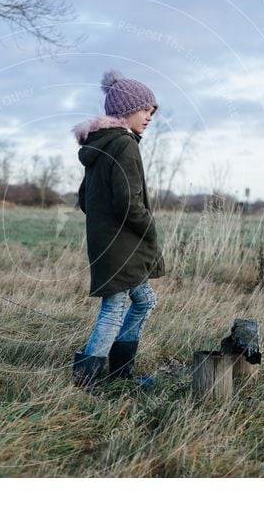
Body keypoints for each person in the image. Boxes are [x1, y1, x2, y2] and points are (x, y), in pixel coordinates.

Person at [72, 70, 166, 389]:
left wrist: (103, 224)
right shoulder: (124, 144)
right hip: (123, 245)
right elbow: (129, 200)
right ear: (126, 110)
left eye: (151, 113)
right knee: (114, 307)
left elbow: (85, 198)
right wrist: (149, 227)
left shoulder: (100, 145)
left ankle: (120, 371)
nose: (149, 118)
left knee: (144, 301)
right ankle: (89, 379)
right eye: (145, 110)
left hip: (110, 243)